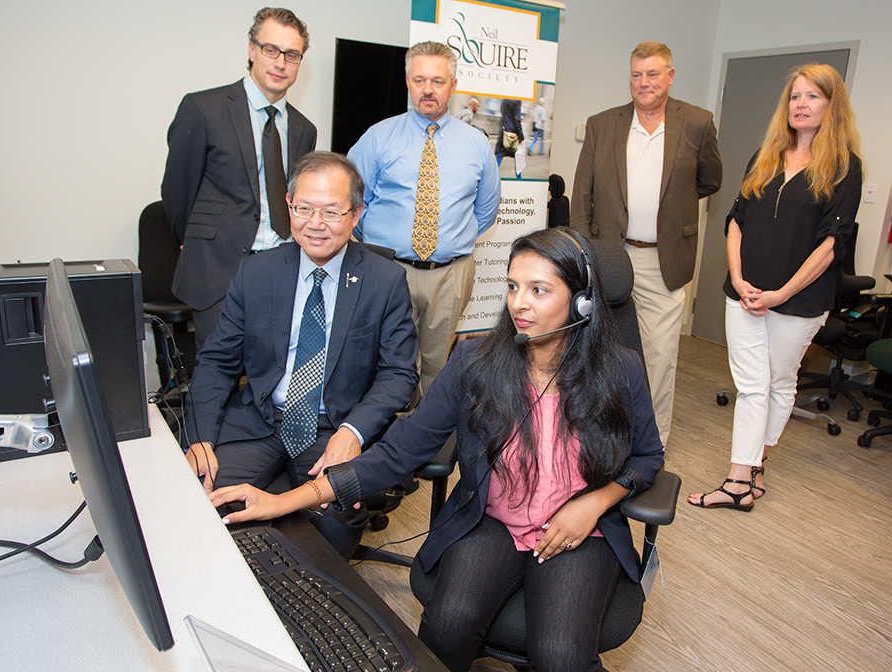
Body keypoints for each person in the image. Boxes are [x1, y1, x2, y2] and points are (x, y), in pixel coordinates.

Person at [214, 227, 664, 671]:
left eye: (539, 290)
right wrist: (281, 502)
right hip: (493, 521)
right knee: (447, 625)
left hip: (582, 530)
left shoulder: (620, 370)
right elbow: (397, 453)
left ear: (581, 301)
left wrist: (596, 502)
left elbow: (648, 457)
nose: (519, 303)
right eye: (512, 286)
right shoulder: (475, 362)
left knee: (560, 654)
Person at [182, 151, 419, 557]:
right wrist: (199, 437)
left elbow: (399, 373)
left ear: (356, 214)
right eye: (303, 208)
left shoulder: (385, 281)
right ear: (288, 206)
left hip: (333, 427)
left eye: (331, 211)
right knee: (204, 506)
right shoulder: (257, 273)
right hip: (261, 420)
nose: (315, 224)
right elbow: (217, 361)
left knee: (334, 530)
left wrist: (352, 433)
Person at [689, 63, 862, 511]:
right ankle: (738, 481)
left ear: (832, 106)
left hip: (799, 301)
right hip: (744, 295)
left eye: (812, 97)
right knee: (752, 385)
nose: (800, 104)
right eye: (795, 96)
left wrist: (782, 294)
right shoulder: (764, 156)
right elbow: (735, 222)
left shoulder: (845, 168)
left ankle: (754, 465)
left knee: (780, 383)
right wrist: (740, 278)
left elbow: (831, 244)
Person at [571, 41, 722, 448]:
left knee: (657, 356)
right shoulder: (603, 124)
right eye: (637, 74)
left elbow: (710, 180)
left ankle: (650, 442)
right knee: (599, 348)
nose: (644, 83)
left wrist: (674, 211)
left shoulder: (696, 122)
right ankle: (598, 433)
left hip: (663, 259)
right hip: (609, 256)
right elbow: (581, 192)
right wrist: (586, 254)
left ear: (670, 75)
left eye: (653, 74)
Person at [348, 41, 501, 398]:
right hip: (387, 271)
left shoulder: (477, 144)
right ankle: (385, 443)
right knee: (386, 364)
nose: (428, 90)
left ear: (453, 85)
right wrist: (378, 248)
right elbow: (353, 202)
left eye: (437, 81)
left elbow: (486, 210)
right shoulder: (378, 137)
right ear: (407, 81)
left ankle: (428, 446)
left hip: (450, 275)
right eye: (419, 80)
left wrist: (449, 242)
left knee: (437, 369)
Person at [162, 7, 317, 350]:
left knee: (269, 377)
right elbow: (176, 192)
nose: (280, 63)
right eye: (270, 50)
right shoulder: (204, 108)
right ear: (251, 50)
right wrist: (193, 243)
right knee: (217, 382)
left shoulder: (305, 129)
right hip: (217, 273)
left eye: (291, 55)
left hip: (280, 271)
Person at [496, 98, 525, 178]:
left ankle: (491, 176)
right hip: (513, 135)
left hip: (504, 132)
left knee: (499, 155)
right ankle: (519, 180)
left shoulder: (504, 99)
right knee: (518, 159)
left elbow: (503, 114)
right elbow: (517, 119)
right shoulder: (517, 100)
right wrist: (521, 137)